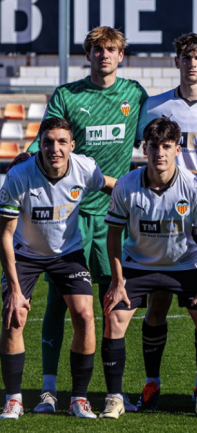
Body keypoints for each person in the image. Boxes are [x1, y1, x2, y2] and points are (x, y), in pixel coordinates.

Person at [21, 26, 148, 414]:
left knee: (114, 305)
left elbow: (154, 138)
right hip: (69, 215)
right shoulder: (67, 95)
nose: (103, 54)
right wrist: (23, 159)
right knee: (61, 303)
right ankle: (48, 388)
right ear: (87, 54)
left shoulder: (134, 94)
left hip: (113, 218)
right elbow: (43, 142)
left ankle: (113, 391)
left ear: (121, 55)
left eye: (110, 49)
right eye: (96, 49)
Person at [135, 32, 197, 409]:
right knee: (157, 303)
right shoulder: (156, 107)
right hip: (162, 218)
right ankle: (151, 382)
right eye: (186, 57)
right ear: (176, 62)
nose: (192, 63)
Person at [100, 117, 197, 419]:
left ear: (177, 149)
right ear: (144, 149)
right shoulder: (127, 185)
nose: (160, 153)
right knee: (114, 318)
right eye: (153, 146)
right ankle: (116, 397)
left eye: (167, 146)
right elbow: (113, 234)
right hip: (137, 264)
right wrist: (117, 281)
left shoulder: (192, 185)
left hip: (182, 264)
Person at [0, 118, 114, 419]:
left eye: (62, 142)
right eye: (49, 141)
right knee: (15, 315)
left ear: (72, 145)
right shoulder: (19, 176)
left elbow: (110, 185)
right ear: (40, 143)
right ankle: (14, 399)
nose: (55, 148)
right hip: (25, 254)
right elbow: (5, 235)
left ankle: (79, 398)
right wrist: (13, 289)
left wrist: (146, 190)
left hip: (68, 253)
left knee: (85, 314)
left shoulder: (85, 168)